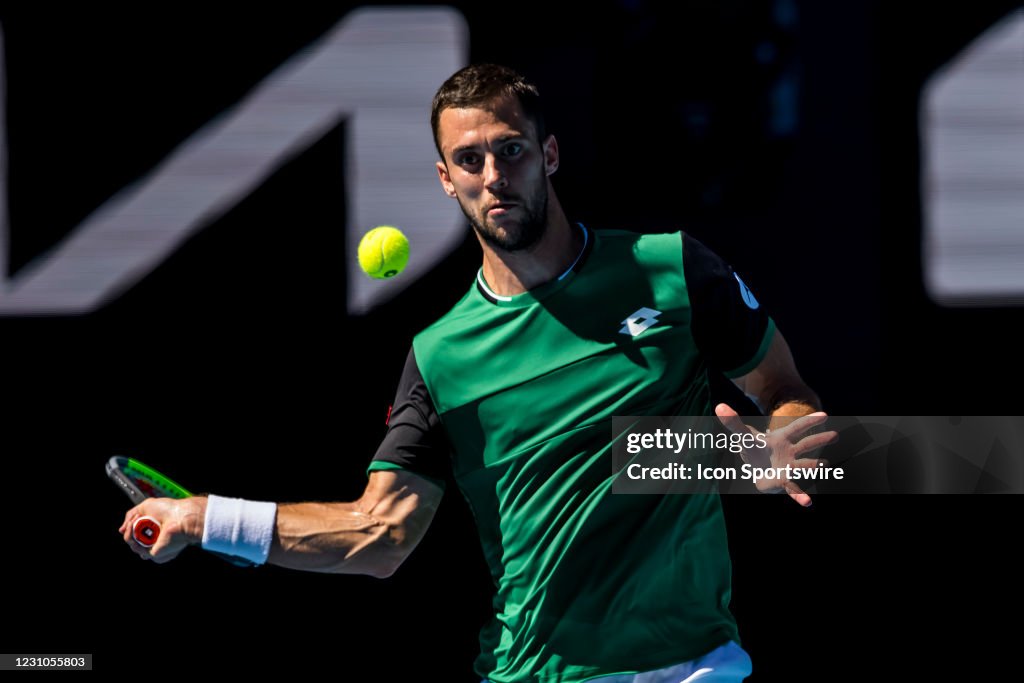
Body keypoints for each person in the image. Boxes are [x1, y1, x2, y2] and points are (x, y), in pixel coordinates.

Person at [120, 63, 831, 682]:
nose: (494, 177)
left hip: (694, 663)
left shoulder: (670, 267)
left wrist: (760, 448)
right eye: (470, 160)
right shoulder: (440, 357)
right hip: (539, 671)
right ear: (445, 178)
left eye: (511, 151)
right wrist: (204, 516)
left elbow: (788, 395)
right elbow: (379, 535)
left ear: (548, 154)